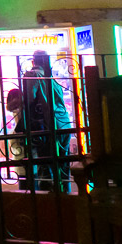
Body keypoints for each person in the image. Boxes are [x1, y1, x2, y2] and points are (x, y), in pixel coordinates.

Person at [21, 50, 73, 188]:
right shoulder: (52, 79)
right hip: (64, 125)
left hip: (47, 125)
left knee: (46, 168)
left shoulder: (32, 75)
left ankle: (49, 202)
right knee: (63, 167)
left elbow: (29, 99)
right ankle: (66, 196)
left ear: (33, 61)